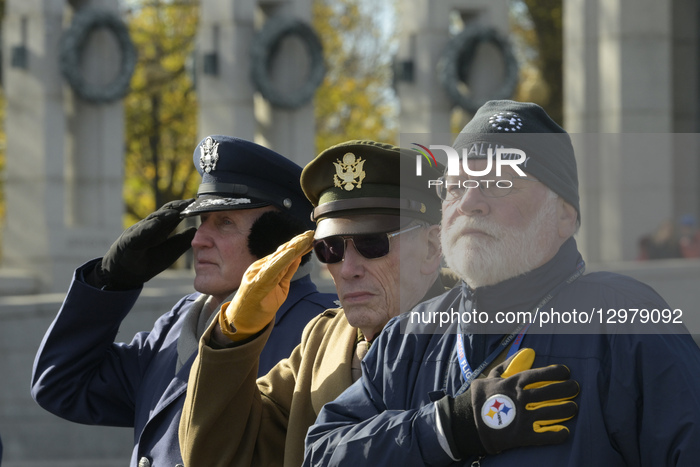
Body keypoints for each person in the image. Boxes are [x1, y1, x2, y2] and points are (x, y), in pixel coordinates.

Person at [304, 101, 700, 466]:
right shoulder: (410, 335)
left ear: (564, 216)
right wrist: (448, 428)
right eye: (456, 186)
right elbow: (322, 453)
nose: (470, 201)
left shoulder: (625, 323)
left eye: (499, 182)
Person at [30, 136, 336, 467]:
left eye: (225, 223)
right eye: (202, 221)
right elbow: (62, 385)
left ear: (281, 239)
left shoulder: (320, 331)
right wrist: (110, 282)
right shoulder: (184, 319)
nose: (198, 240)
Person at [178, 140, 456, 466]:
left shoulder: (482, 337)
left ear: (431, 246)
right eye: (330, 249)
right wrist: (232, 337)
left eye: (372, 243)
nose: (347, 269)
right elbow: (213, 457)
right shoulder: (322, 342)